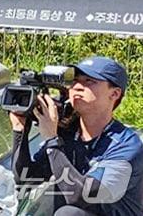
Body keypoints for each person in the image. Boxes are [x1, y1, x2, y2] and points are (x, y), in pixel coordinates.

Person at [11, 56, 143, 215]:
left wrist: (52, 141)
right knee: (50, 197)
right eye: (74, 81)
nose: (78, 87)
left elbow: (82, 196)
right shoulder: (69, 133)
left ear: (114, 93)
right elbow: (26, 180)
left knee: (68, 212)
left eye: (89, 81)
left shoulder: (126, 145)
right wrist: (20, 130)